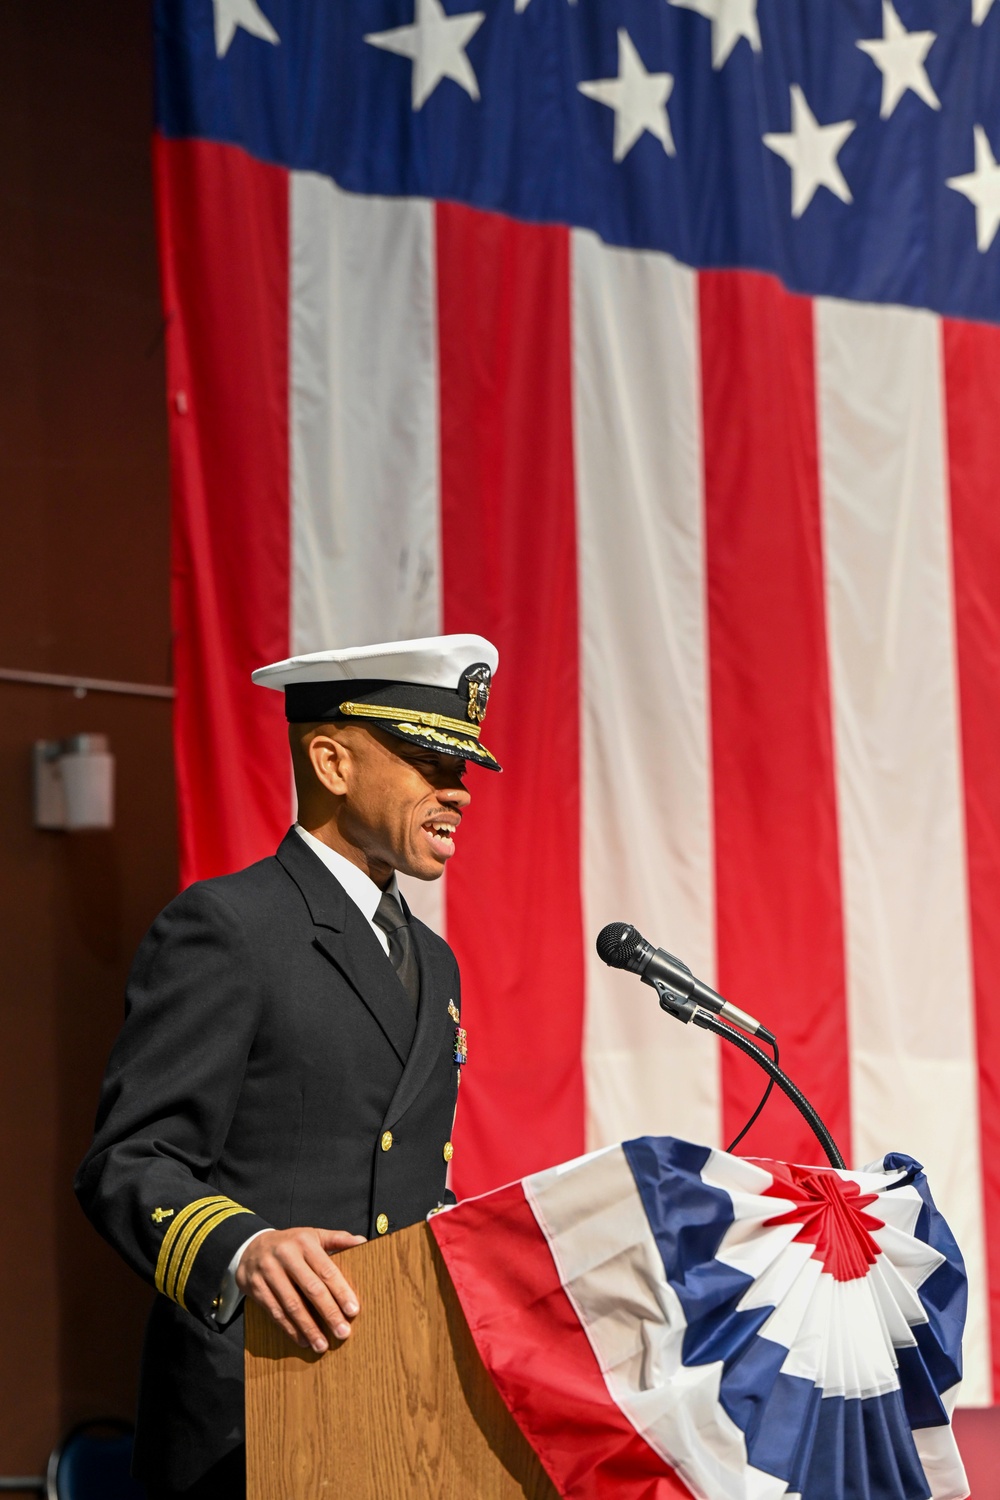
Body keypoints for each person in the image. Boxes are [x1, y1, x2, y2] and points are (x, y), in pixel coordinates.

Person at [75, 634, 501, 1499]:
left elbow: (401, 1184)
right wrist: (246, 1247)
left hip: (396, 1406)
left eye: (462, 770)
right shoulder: (229, 928)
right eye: (428, 761)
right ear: (332, 760)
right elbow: (129, 1162)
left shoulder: (433, 960)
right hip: (254, 1407)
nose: (456, 792)